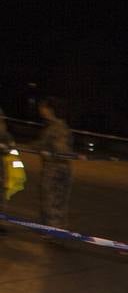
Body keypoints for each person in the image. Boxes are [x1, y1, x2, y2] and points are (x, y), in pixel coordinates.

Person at [35, 96, 74, 229]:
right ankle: (50, 229)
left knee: (54, 201)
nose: (40, 111)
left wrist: (50, 154)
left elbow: (61, 150)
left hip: (56, 171)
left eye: (42, 108)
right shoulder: (51, 127)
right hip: (52, 169)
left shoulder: (59, 127)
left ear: (49, 109)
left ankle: (55, 232)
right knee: (50, 201)